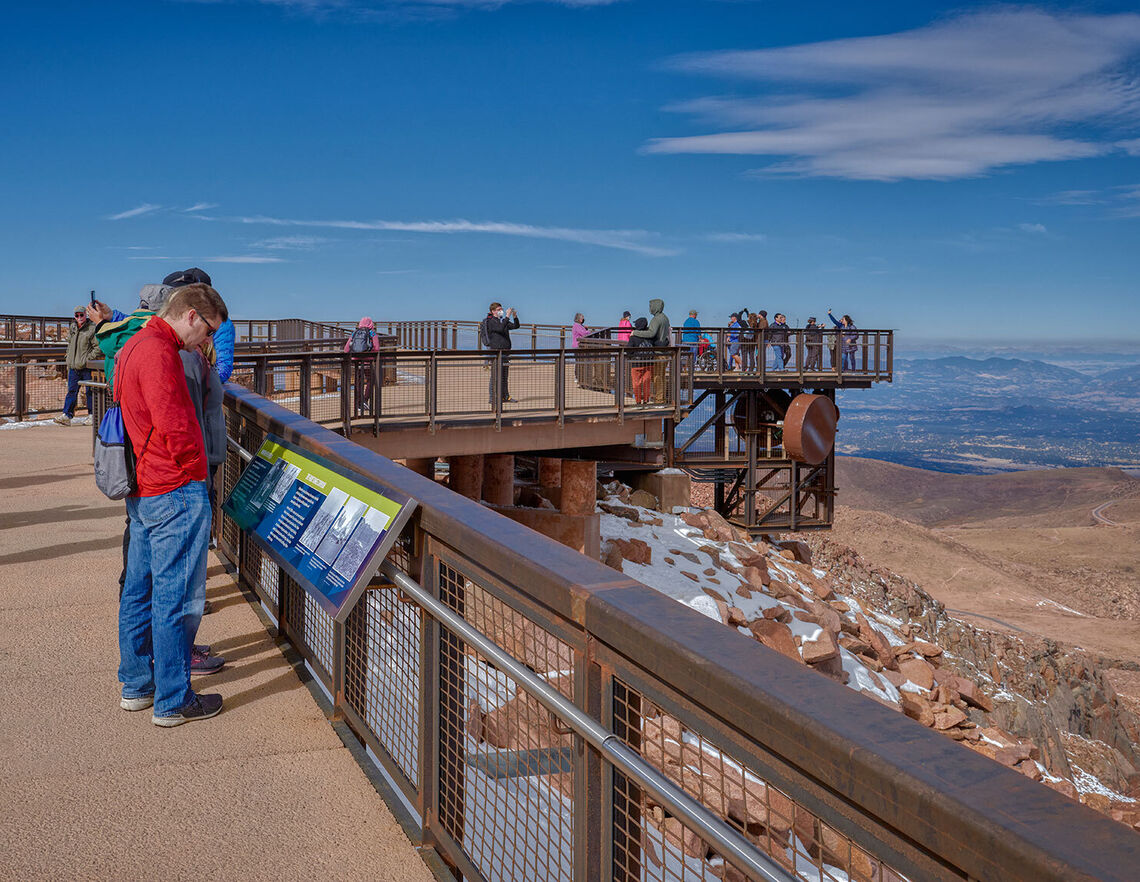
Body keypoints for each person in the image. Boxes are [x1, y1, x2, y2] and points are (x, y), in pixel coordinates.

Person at [117, 282, 229, 727]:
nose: (208, 343)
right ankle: (173, 699)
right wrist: (196, 473)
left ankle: (137, 684)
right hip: (174, 487)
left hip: (143, 485)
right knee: (177, 597)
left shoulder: (132, 344)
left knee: (139, 588)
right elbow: (176, 424)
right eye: (209, 332)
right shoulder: (161, 354)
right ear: (191, 316)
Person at [54, 304, 100, 425]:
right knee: (72, 391)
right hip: (74, 367)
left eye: (81, 314)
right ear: (74, 316)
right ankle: (67, 416)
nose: (79, 317)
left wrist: (87, 359)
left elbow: (97, 347)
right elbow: (70, 344)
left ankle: (92, 415)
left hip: (86, 367)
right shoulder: (73, 328)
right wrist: (68, 357)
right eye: (77, 315)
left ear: (86, 315)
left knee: (90, 391)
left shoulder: (92, 328)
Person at [627, 299, 670, 402]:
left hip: (659, 353)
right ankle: (661, 399)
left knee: (657, 377)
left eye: (651, 306)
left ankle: (659, 400)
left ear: (655, 306)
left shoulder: (656, 319)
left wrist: (635, 333)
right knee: (662, 377)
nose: (650, 308)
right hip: (665, 351)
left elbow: (651, 333)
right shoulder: (665, 318)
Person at [484, 302, 519, 405]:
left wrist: (515, 317)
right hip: (496, 352)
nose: (501, 311)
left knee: (504, 376)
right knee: (495, 376)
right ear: (493, 311)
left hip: (505, 352)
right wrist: (507, 317)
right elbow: (499, 328)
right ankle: (492, 397)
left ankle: (505, 396)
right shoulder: (490, 322)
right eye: (499, 309)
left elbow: (516, 326)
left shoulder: (502, 321)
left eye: (501, 309)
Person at [345, 316, 381, 415]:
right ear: (371, 324)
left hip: (356, 362)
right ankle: (365, 400)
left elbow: (346, 349)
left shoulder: (354, 333)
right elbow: (377, 348)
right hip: (367, 362)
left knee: (358, 382)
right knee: (371, 380)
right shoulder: (372, 333)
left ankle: (358, 403)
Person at [627, 317, 654, 404]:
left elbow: (629, 351)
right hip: (649, 363)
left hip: (636, 364)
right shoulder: (650, 336)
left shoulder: (634, 337)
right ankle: (646, 400)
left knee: (636, 383)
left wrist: (630, 357)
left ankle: (638, 401)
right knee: (647, 383)